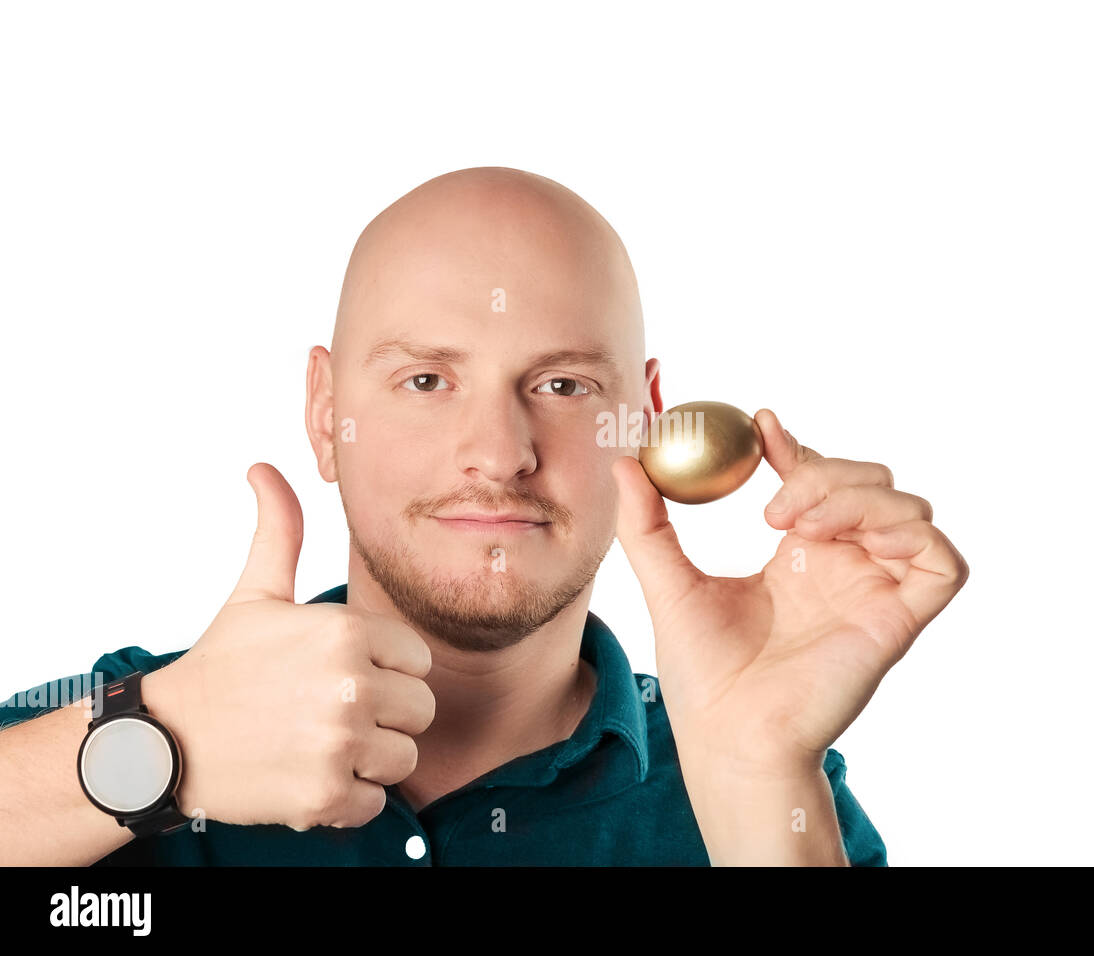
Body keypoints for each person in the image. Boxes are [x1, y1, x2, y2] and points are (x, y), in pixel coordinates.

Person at [0, 166, 968, 866]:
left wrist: (754, 777)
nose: (499, 450)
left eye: (559, 382)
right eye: (426, 378)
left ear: (642, 412)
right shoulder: (118, 722)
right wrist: (159, 748)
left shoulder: (778, 787)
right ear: (323, 416)